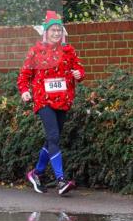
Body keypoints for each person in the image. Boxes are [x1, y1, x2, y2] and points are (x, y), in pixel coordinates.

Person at [17, 11, 85, 196]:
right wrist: (24, 91)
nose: (56, 33)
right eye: (53, 30)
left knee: (51, 140)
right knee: (54, 136)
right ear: (46, 32)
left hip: (63, 100)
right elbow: (24, 75)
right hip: (43, 100)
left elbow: (79, 69)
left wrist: (78, 74)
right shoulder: (36, 51)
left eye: (59, 30)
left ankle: (36, 173)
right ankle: (61, 180)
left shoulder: (69, 51)